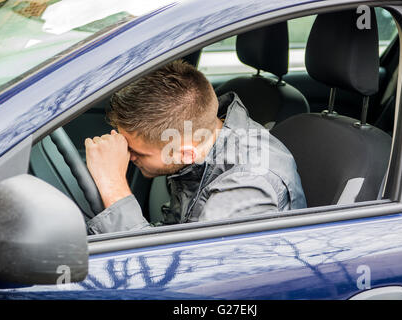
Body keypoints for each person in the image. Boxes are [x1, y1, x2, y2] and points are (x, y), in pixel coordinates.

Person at [85, 60, 306, 234]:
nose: (125, 155)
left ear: (186, 153)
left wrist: (112, 185)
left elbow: (173, 280)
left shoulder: (248, 187)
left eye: (136, 152)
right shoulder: (207, 140)